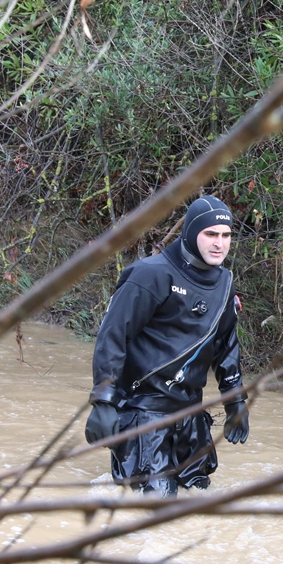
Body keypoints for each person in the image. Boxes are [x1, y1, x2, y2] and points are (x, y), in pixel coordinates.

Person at [84, 195, 249, 495]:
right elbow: (113, 335)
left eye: (226, 236)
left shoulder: (225, 282)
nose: (219, 243)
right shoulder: (150, 274)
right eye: (210, 234)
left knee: (199, 497)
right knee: (155, 506)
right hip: (142, 413)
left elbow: (226, 344)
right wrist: (103, 400)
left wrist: (235, 400)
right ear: (190, 233)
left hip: (190, 415)